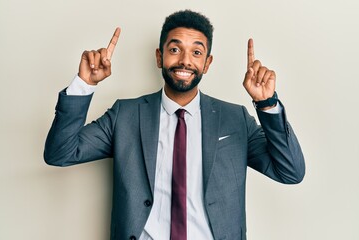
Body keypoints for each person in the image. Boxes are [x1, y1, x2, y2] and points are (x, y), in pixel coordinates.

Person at [44, 10, 305, 240]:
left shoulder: (235, 119)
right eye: (174, 49)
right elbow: (60, 153)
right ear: (159, 57)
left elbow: (290, 172)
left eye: (197, 52)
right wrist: (84, 84)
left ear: (207, 64)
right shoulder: (125, 115)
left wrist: (267, 104)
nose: (185, 60)